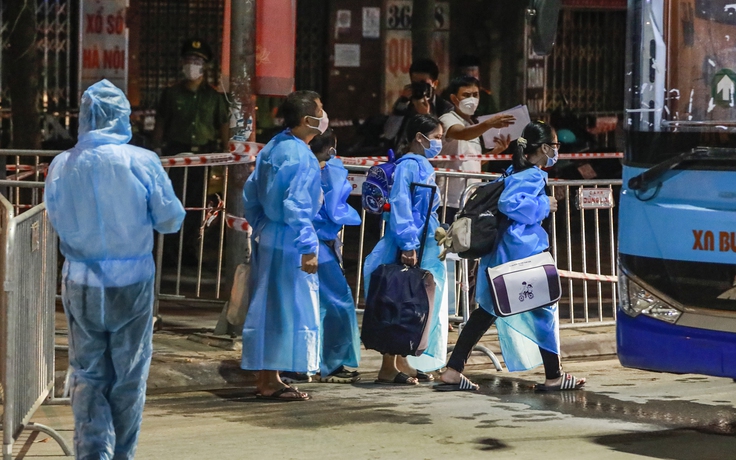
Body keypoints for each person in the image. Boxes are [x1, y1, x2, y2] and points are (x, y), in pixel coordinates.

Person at [45, 79, 185, 458]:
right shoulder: (141, 161)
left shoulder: (61, 165)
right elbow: (170, 219)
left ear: (84, 118)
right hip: (132, 282)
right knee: (129, 375)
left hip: (80, 282)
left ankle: (92, 452)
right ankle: (121, 452)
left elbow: (55, 216)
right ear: (123, 117)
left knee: (88, 374)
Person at [436, 121, 587, 392]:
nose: (556, 150)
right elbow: (510, 205)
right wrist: (544, 204)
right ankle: (554, 376)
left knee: (487, 313)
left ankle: (453, 370)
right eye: (555, 145)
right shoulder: (531, 175)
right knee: (544, 311)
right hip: (522, 255)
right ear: (543, 147)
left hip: (504, 255)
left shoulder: (512, 172)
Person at [241, 90, 327, 401]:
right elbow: (297, 205)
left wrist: (261, 225)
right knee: (285, 310)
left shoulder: (273, 147)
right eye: (320, 110)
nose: (324, 114)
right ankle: (269, 380)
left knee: (268, 308)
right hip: (290, 241)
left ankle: (270, 376)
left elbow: (250, 193)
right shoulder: (302, 156)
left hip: (269, 235)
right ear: (308, 120)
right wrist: (307, 245)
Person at [363, 114, 449, 385]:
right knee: (397, 300)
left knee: (411, 303)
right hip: (411, 242)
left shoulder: (420, 165)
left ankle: (402, 360)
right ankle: (388, 366)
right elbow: (402, 205)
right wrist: (408, 245)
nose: (440, 142)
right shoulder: (410, 166)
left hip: (422, 241)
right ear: (419, 138)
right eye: (436, 137)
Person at [153, 38, 231, 264]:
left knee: (197, 205)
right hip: (176, 155)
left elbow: (224, 127)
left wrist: (225, 158)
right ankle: (169, 252)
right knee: (173, 202)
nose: (192, 64)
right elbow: (161, 123)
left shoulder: (214, 97)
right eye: (188, 59)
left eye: (197, 60)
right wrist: (157, 150)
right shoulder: (171, 94)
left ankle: (189, 251)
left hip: (202, 158)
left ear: (204, 65)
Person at [311, 129, 362, 383]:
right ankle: (333, 362)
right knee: (337, 303)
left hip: (295, 242)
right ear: (330, 149)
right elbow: (336, 210)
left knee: (307, 305)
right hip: (319, 244)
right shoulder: (331, 171)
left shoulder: (296, 166)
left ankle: (304, 362)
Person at [437, 75, 515, 222]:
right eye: (466, 95)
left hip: (469, 198)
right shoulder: (448, 119)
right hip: (448, 199)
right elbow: (461, 133)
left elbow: (472, 162)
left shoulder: (472, 124)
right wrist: (488, 124)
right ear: (454, 99)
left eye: (475, 95)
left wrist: (494, 153)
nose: (472, 99)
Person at [384, 59, 454, 150]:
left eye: (423, 83)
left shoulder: (444, 107)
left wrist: (426, 116)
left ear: (435, 84)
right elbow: (389, 134)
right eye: (415, 84)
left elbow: (444, 140)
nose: (419, 88)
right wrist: (402, 104)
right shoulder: (405, 103)